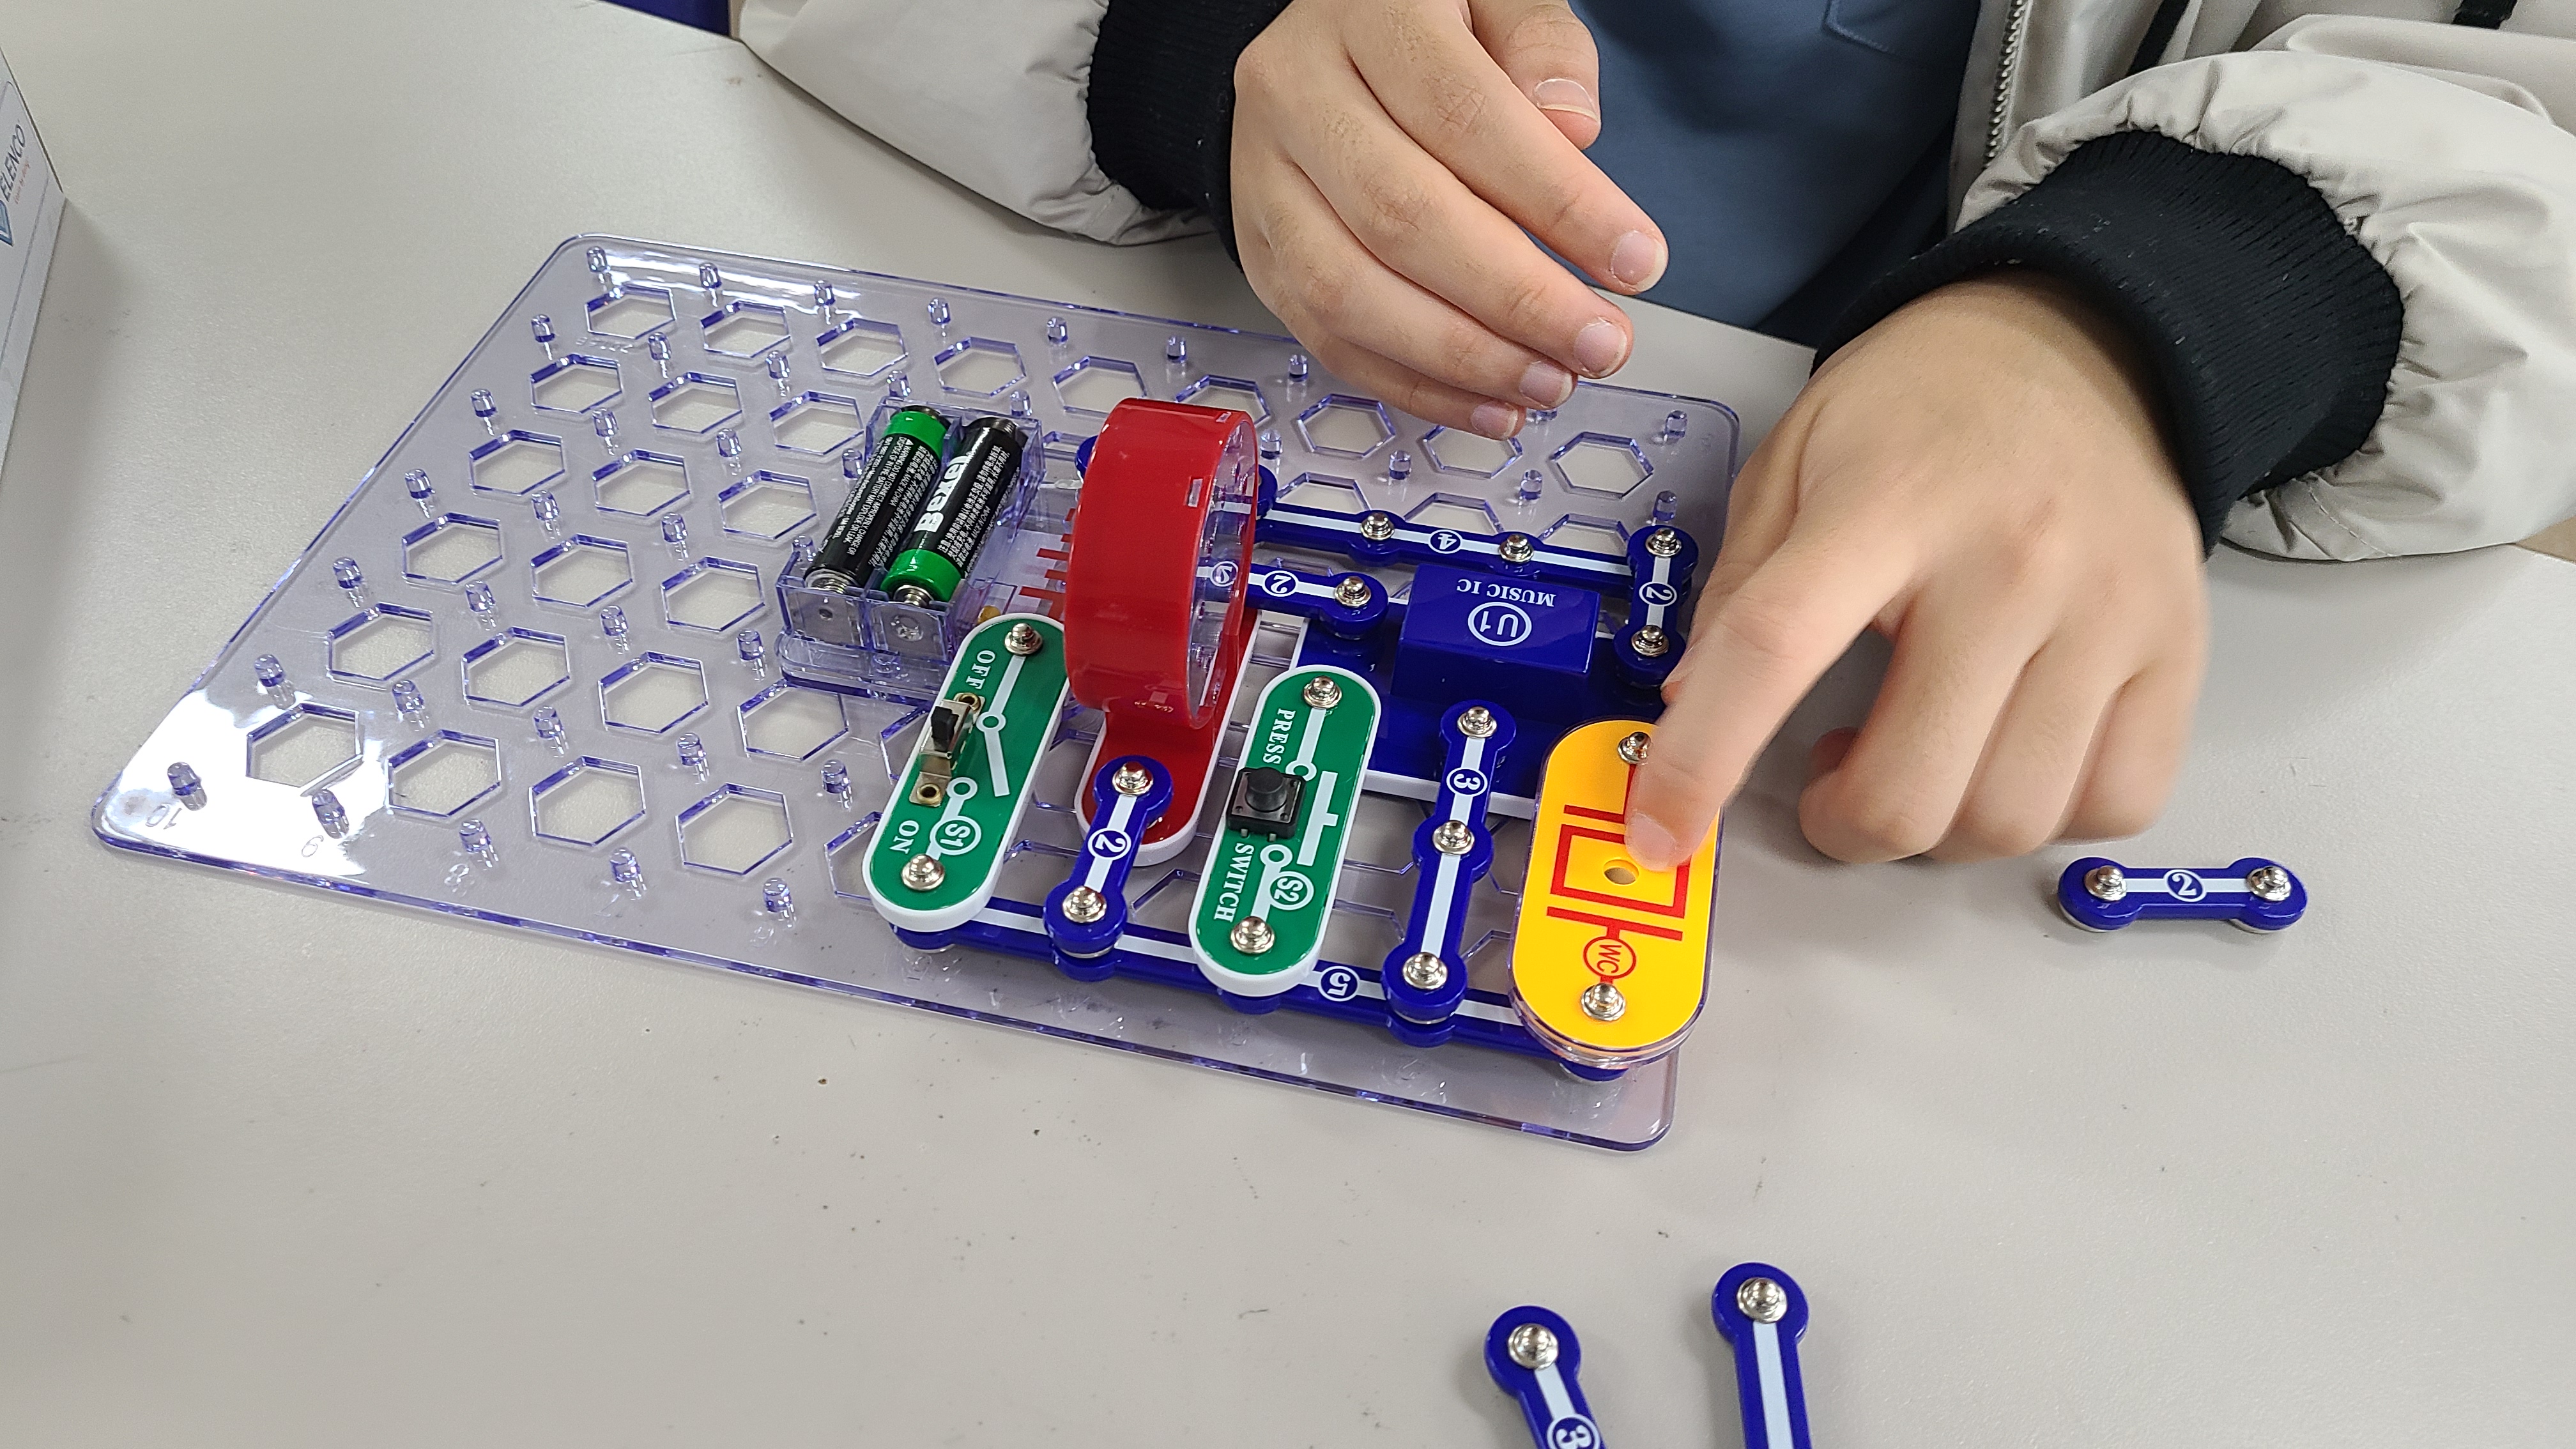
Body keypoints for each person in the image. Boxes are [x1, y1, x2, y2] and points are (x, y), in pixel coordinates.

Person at [739, 0, 2576, 868]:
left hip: (1943, 523)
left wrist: (2164, 309)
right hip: (1159, 280)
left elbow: (2526, 115)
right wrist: (1182, 41)